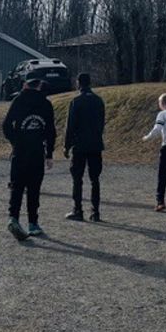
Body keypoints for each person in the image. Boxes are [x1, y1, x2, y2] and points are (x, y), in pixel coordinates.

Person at [2, 78, 56, 240]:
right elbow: (51, 131)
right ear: (39, 86)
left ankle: (14, 218)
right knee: (34, 188)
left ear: (26, 85)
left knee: (17, 186)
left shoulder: (19, 100)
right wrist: (49, 153)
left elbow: (6, 125)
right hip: (37, 151)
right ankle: (33, 223)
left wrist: (15, 141)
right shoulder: (46, 104)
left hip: (20, 150)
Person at [63, 72, 106, 222]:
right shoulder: (99, 101)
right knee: (95, 179)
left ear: (78, 83)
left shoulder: (76, 101)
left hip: (80, 144)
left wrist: (66, 145)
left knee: (77, 178)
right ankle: (95, 212)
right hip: (95, 144)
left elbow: (70, 126)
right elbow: (101, 123)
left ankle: (78, 209)